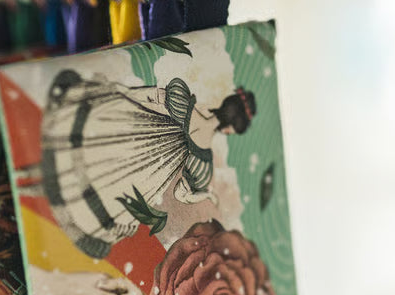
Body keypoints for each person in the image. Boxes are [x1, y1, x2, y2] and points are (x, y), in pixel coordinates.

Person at [40, 70, 256, 260]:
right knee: (111, 187)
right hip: (151, 173)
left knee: (93, 152)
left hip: (134, 130)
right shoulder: (203, 159)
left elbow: (145, 95)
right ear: (230, 129)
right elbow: (182, 194)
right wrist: (207, 195)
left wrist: (118, 91)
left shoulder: (182, 100)